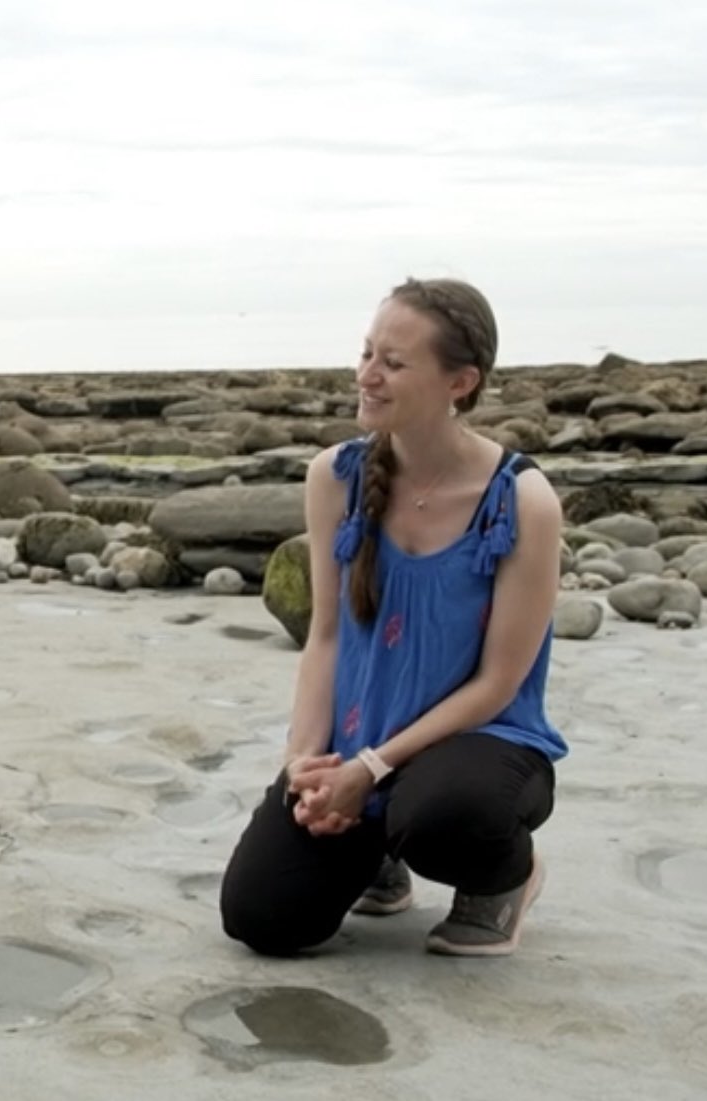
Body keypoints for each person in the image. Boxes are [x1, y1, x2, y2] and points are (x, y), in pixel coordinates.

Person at [220, 276, 567, 958]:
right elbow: (323, 638)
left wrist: (372, 768)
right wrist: (303, 762)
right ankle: (376, 857)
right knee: (262, 918)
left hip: (478, 745)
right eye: (366, 353)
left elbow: (498, 683)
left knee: (443, 816)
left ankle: (505, 879)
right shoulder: (334, 477)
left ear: (459, 381)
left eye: (393, 362)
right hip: (359, 744)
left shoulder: (521, 500)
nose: (367, 375)